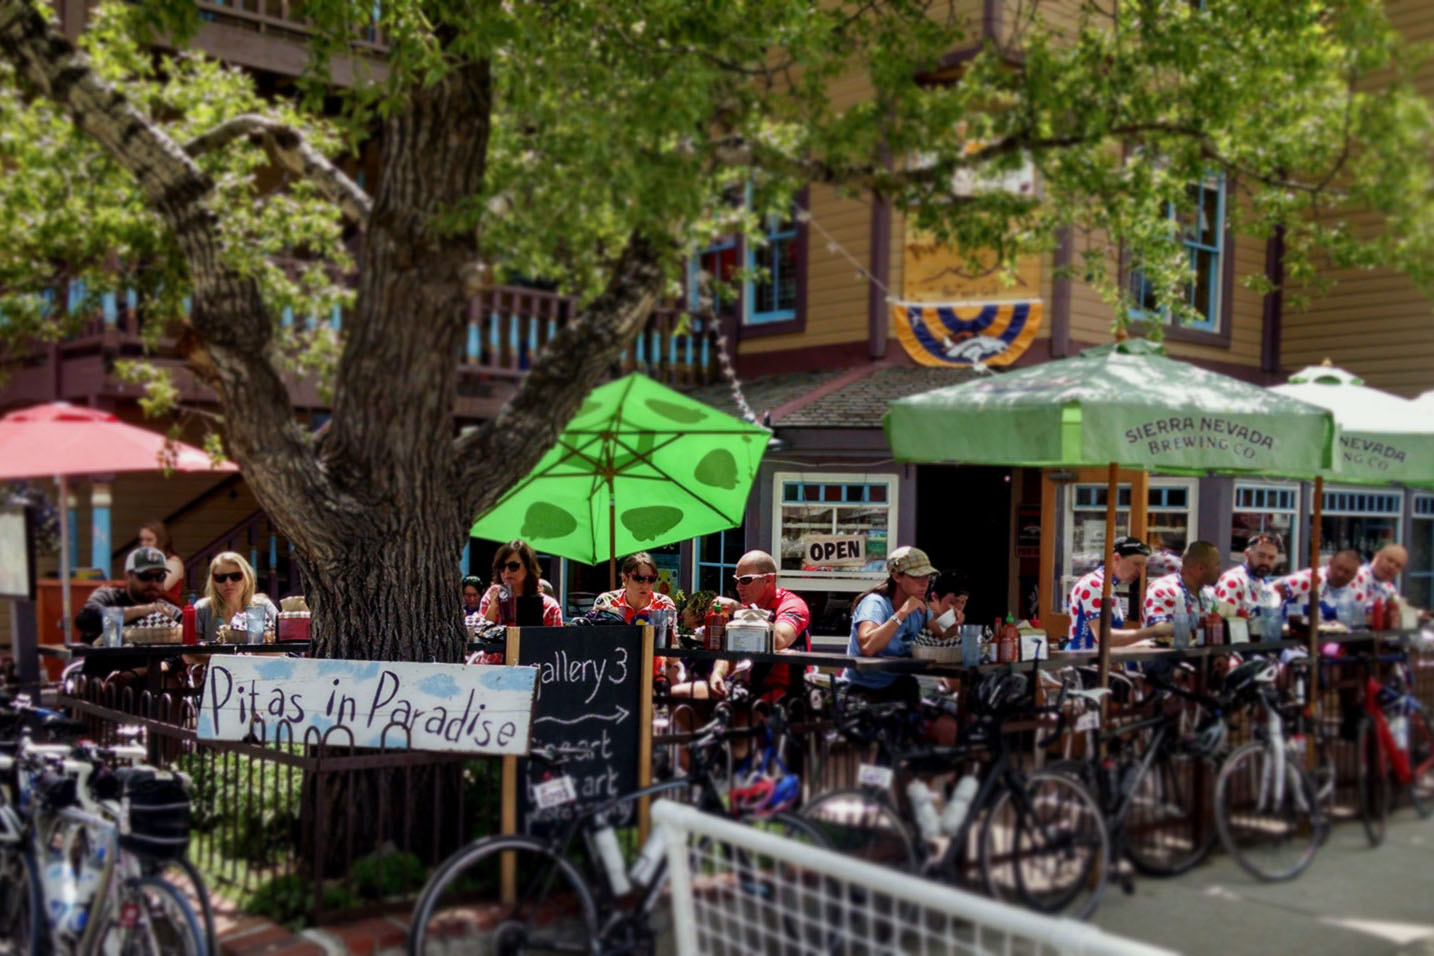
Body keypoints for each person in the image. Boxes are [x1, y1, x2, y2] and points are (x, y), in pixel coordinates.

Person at [706, 550, 812, 703]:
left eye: (745, 580)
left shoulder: (792, 604)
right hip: (751, 687)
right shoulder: (748, 610)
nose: (738, 588)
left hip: (787, 693)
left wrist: (740, 611)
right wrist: (718, 674)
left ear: (768, 580)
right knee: (681, 694)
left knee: (740, 717)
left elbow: (780, 639)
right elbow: (729, 650)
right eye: (736, 581)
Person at [839, 546, 936, 704]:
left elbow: (942, 632)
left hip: (900, 686)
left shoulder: (919, 606)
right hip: (864, 692)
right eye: (917, 577)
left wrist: (954, 615)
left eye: (927, 577)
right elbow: (868, 647)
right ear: (897, 576)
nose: (924, 583)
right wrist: (901, 614)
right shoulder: (876, 603)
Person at [1065, 536, 1155, 650]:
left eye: (1143, 566)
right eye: (1136, 564)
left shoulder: (1107, 585)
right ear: (1116, 558)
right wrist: (1150, 633)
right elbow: (1104, 637)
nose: (1140, 571)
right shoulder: (1093, 585)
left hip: (1099, 660)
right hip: (1085, 661)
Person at [75, 546, 181, 642]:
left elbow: (188, 645)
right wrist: (142, 610)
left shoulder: (168, 610)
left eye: (160, 576)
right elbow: (85, 620)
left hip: (152, 663)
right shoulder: (108, 597)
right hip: (106, 662)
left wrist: (167, 663)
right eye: (145, 576)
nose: (153, 583)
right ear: (128, 576)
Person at [1143, 540, 1223, 640]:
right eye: (1216, 565)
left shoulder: (1210, 594)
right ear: (1200, 568)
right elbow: (1160, 632)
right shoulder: (1163, 589)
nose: (1219, 570)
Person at [194, 552, 278, 642]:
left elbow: (284, 645)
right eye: (220, 578)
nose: (228, 582)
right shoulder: (202, 609)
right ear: (213, 582)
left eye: (236, 576)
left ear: (247, 578)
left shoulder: (264, 607)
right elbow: (190, 652)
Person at [479, 540, 563, 627]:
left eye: (513, 566)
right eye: (502, 567)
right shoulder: (491, 597)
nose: (506, 572)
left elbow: (556, 639)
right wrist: (493, 608)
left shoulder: (549, 608)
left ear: (528, 567)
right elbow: (480, 634)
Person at [1274, 548, 1363, 623]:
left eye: (1347, 572)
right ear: (1331, 562)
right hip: (1294, 637)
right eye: (1338, 568)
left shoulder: (1355, 592)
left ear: (1354, 575)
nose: (1340, 574)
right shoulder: (1310, 578)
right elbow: (1272, 589)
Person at [1213, 531, 1282, 620]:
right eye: (1261, 556)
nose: (1266, 562)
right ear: (1247, 554)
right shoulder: (1234, 580)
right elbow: (1224, 622)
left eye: (1271, 558)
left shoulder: (1267, 584)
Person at [137, 519, 186, 605]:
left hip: (167, 612)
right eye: (141, 540)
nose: (143, 544)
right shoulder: (143, 561)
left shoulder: (173, 562)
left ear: (161, 541)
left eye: (149, 540)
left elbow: (158, 590)